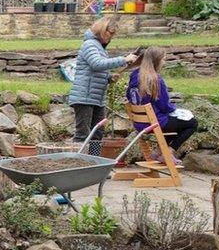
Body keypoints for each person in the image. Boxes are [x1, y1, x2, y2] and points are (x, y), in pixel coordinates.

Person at [67, 17, 138, 155]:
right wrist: (123, 59)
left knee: (97, 135)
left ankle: (94, 165)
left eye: (113, 34)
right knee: (83, 135)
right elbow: (97, 64)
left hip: (96, 99)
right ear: (101, 30)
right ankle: (76, 165)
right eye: (109, 33)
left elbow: (94, 72)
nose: (111, 37)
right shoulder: (90, 45)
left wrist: (109, 77)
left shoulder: (99, 47)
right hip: (84, 97)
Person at [126, 47, 198, 163]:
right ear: (157, 61)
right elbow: (165, 107)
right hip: (154, 123)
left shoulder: (134, 76)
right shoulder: (156, 79)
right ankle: (168, 152)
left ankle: (159, 152)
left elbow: (129, 97)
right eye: (163, 60)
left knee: (173, 122)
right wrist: (174, 108)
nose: (164, 62)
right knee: (192, 123)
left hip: (140, 123)